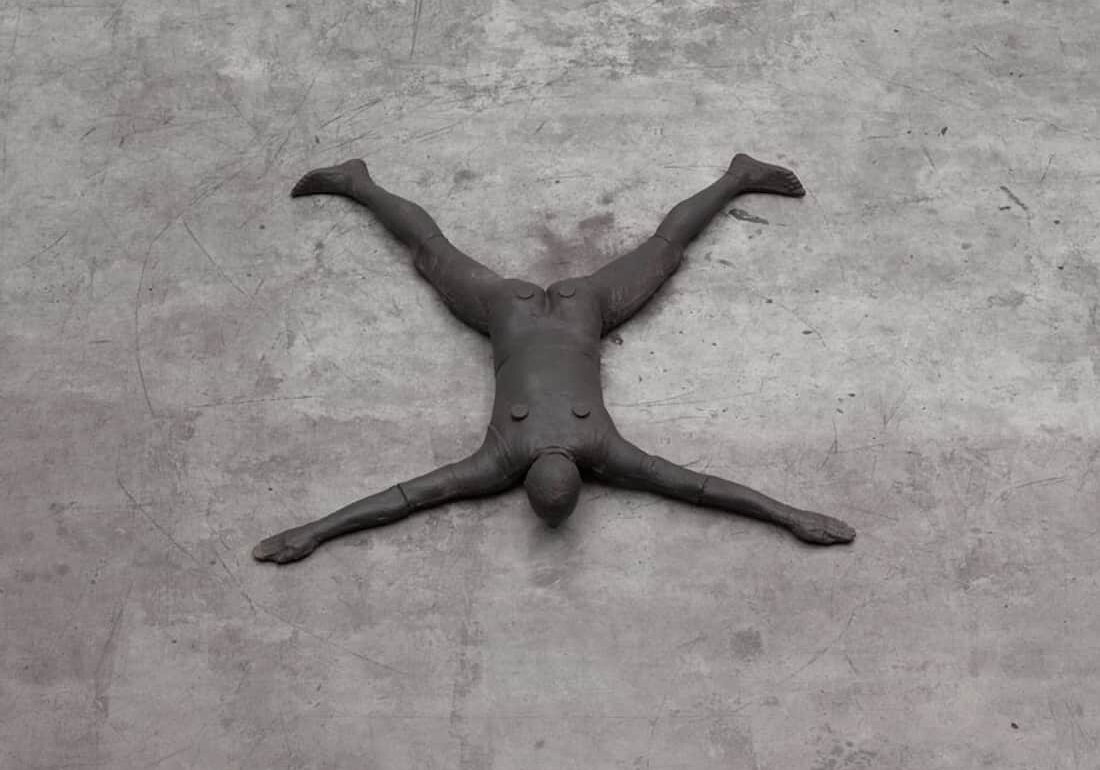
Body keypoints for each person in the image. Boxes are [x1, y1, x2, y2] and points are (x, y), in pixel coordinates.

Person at [253, 153, 854, 564]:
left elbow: (406, 498)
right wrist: (787, 515)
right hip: (555, 309)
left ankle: (358, 181)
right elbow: (697, 488)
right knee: (660, 247)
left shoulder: (538, 456)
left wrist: (317, 531)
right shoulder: (541, 456)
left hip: (540, 309)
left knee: (433, 247)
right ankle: (737, 176)